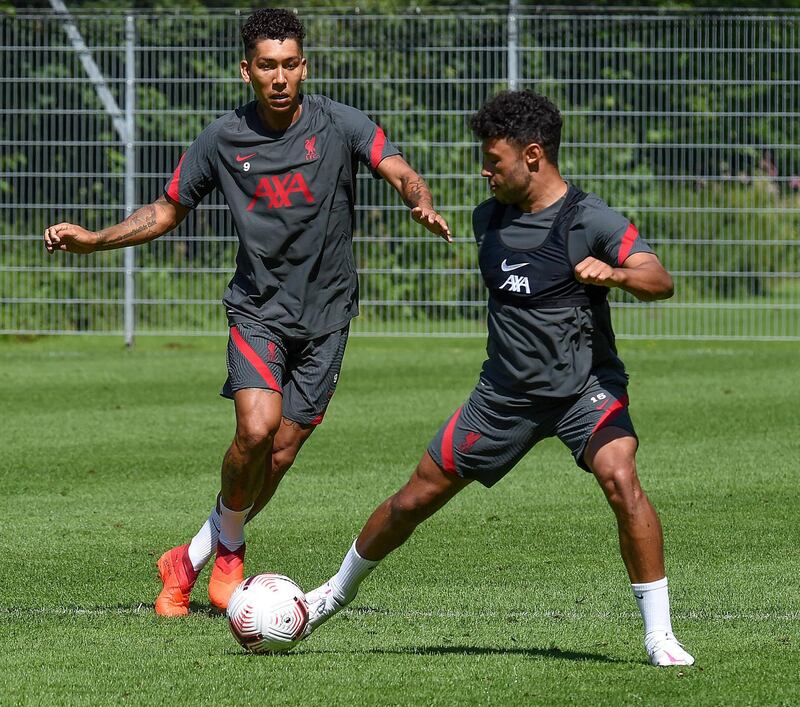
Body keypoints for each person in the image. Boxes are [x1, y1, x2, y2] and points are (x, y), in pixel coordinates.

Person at [43, 8, 451, 617]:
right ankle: (230, 550)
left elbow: (397, 168)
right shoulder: (221, 139)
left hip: (329, 317)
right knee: (255, 431)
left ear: (304, 66)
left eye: (290, 64)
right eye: (268, 66)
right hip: (258, 309)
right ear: (247, 71)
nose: (280, 77)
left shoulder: (341, 124)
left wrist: (418, 200)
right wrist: (96, 239)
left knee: (281, 454)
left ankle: (185, 560)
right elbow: (166, 209)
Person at [303, 90, 694, 667]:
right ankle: (331, 595)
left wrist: (613, 273)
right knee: (413, 501)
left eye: (495, 160)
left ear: (533, 155)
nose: (484, 170)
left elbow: (659, 278)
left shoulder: (589, 219)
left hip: (583, 390)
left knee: (620, 476)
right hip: (503, 396)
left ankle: (660, 636)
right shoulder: (488, 218)